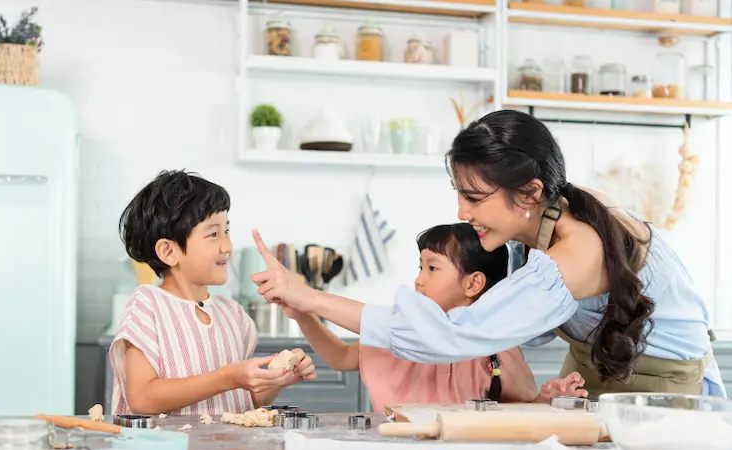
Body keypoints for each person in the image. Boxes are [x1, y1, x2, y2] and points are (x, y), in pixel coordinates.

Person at [250, 110, 723, 399]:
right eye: (459, 194)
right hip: (593, 369)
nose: (461, 211)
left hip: (663, 386)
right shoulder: (545, 221)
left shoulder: (579, 250)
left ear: (529, 192)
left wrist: (308, 296)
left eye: (474, 198)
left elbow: (448, 337)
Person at [280, 223, 587, 412]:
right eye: (420, 267)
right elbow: (342, 357)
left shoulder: (496, 350)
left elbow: (516, 411)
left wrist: (543, 401)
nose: (419, 280)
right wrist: (304, 316)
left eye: (432, 268)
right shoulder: (406, 335)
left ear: (473, 284)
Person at [109, 170, 316, 417]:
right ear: (169, 251)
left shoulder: (234, 315)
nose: (227, 246)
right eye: (213, 234)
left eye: (226, 231)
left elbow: (244, 399)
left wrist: (279, 378)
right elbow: (142, 399)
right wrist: (230, 376)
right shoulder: (148, 306)